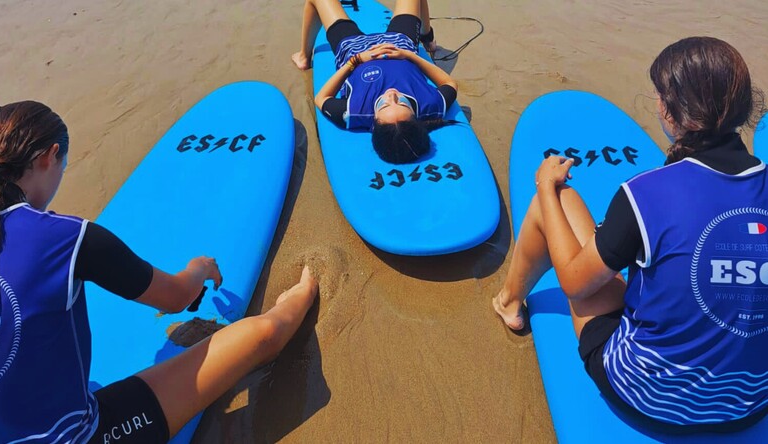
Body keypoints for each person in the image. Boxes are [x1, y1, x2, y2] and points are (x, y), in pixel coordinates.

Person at [0, 101, 319, 443]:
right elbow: (176, 298)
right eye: (63, 165)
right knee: (263, 334)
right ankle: (300, 296)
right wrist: (198, 268)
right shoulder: (64, 238)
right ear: (49, 157)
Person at [492, 37, 768, 432]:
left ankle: (508, 302)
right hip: (750, 403)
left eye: (660, 96)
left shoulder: (647, 194)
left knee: (557, 204)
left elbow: (574, 284)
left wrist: (545, 185)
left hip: (649, 395)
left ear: (673, 112)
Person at [291, 0, 458, 164]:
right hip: (399, 44)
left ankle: (304, 57)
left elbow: (321, 98)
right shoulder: (430, 105)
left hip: (353, 48)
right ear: (416, 116)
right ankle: (427, 37)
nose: (391, 95)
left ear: (373, 122)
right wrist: (409, 56)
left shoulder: (355, 112)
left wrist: (356, 60)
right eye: (403, 102)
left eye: (384, 105)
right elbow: (450, 84)